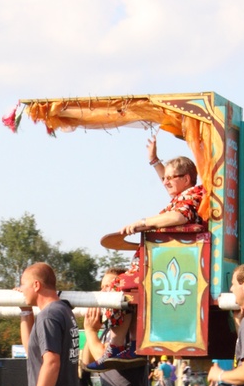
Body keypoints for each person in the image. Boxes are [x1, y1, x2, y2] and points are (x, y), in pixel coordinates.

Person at [87, 148, 205, 370]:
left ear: (186, 178)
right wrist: (155, 161)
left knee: (115, 287)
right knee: (123, 290)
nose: (165, 182)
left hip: (168, 266)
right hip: (161, 262)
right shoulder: (183, 195)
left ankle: (117, 347)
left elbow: (179, 216)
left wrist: (144, 222)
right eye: (164, 178)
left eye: (171, 178)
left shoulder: (192, 195)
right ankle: (128, 346)